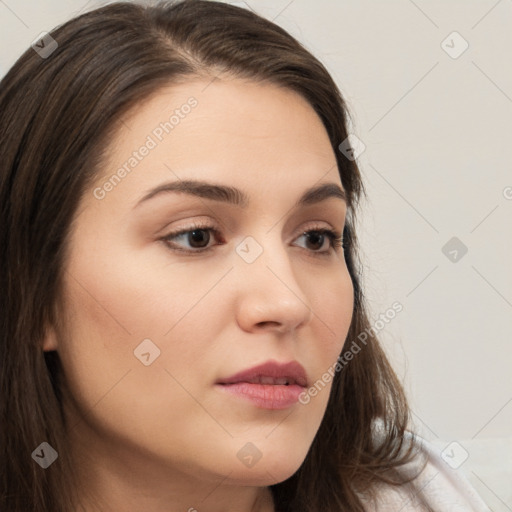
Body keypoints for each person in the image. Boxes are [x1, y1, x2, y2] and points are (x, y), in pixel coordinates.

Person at [0, 1, 490, 511]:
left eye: (316, 238)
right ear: (32, 291)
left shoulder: (423, 498)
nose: (287, 302)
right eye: (196, 237)